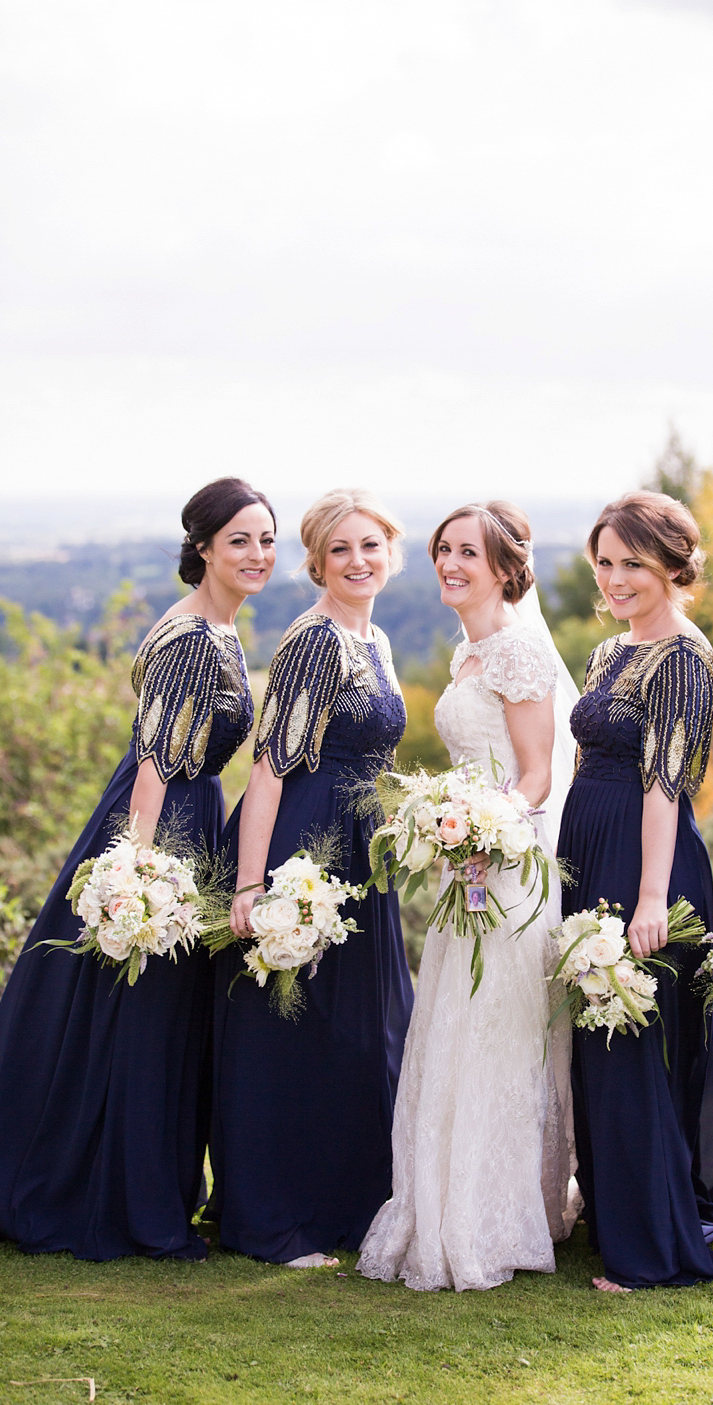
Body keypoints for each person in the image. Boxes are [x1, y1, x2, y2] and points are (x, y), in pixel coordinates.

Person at [0, 477, 275, 1260]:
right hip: (158, 823)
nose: (257, 553)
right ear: (202, 547)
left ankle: (144, 1183)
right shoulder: (192, 639)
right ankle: (105, 1190)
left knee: (157, 1015)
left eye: (267, 539)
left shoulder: (218, 628)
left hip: (189, 816)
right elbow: (154, 763)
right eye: (240, 539)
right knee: (133, 1009)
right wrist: (134, 874)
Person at [358, 500, 576, 1293]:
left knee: (499, 1031)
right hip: (465, 872)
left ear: (504, 568)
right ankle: (445, 1200)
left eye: (468, 554)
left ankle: (500, 1213)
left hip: (508, 872)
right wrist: (451, 831)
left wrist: (485, 827)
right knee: (454, 1023)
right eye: (443, 550)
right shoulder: (468, 656)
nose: (450, 564)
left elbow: (539, 775)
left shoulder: (520, 654)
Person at [210, 488, 413, 1267]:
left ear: (390, 550)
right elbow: (268, 769)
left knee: (360, 1033)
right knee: (294, 1030)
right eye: (340, 551)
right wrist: (251, 887)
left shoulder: (378, 640)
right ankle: (276, 1216)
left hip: (368, 851)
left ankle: (352, 1202)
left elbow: (380, 757)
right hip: (307, 841)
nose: (357, 562)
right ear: (318, 562)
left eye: (370, 546)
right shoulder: (314, 642)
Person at [557, 491, 713, 1292]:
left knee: (631, 1041)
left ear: (673, 564)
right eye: (605, 562)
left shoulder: (684, 658)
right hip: (589, 851)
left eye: (634, 562)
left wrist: (653, 898)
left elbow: (669, 786)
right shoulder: (613, 652)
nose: (617, 577)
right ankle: (615, 1217)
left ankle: (652, 1247)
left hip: (645, 863)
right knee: (595, 1042)